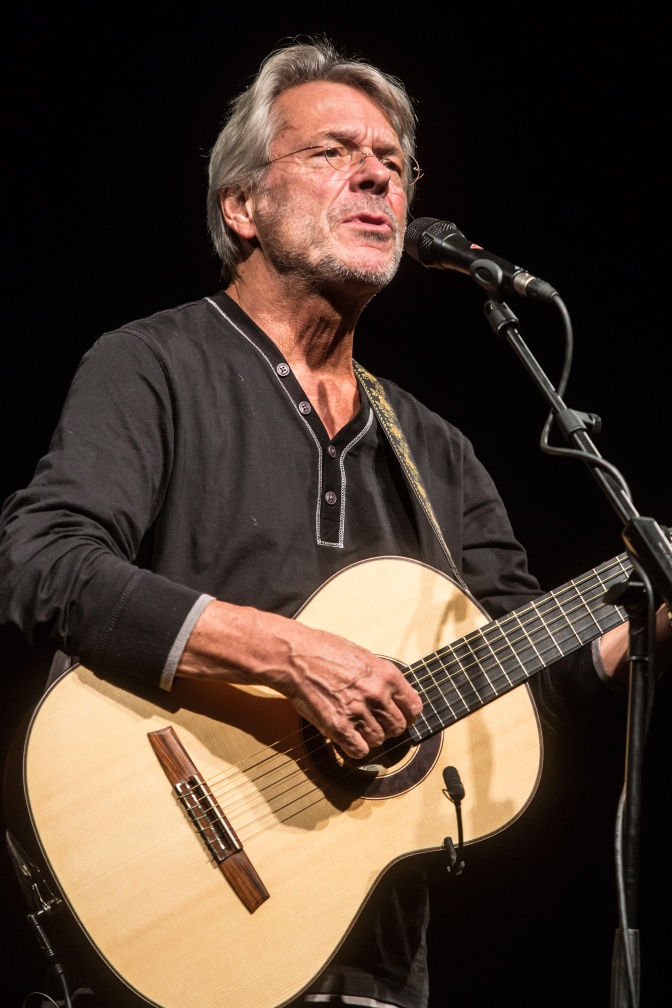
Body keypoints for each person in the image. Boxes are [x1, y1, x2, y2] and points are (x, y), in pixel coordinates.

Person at [1, 36, 669, 1008]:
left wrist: (637, 629)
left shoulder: (437, 449)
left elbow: (525, 676)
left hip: (378, 972)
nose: (377, 178)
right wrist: (287, 656)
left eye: (395, 165)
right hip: (164, 917)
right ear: (242, 205)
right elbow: (40, 562)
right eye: (334, 153)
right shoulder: (153, 365)